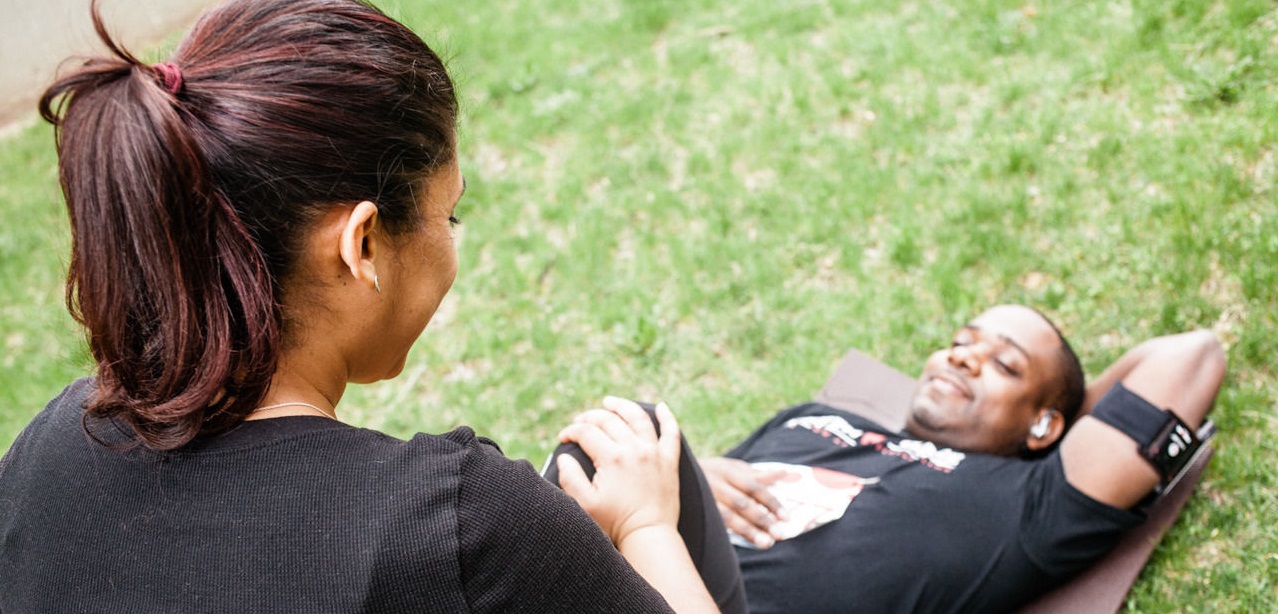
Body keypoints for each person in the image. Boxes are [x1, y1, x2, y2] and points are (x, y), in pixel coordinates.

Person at [0, 1, 723, 611]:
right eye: (451, 217)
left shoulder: (54, 447)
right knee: (638, 448)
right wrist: (645, 523)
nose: (451, 244)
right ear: (362, 244)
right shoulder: (461, 526)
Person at [549, 304, 1225, 614]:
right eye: (963, 341)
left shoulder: (1033, 502)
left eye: (1004, 366)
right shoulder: (815, 419)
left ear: (1045, 423)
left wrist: (1067, 428)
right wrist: (697, 477)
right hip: (646, 579)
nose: (965, 356)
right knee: (617, 434)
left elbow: (1191, 357)